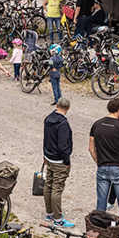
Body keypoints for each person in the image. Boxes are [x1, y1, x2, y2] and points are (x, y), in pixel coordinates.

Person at [89, 97, 119, 238]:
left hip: (103, 168)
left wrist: (100, 163)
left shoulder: (96, 124)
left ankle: (99, 235)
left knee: (100, 205)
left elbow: (91, 148)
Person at [43, 97, 74, 228]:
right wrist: (66, 160)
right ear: (69, 108)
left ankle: (49, 213)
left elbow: (45, 138)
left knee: (48, 185)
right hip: (59, 161)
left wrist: (44, 155)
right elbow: (63, 146)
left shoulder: (48, 119)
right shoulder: (63, 124)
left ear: (56, 105)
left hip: (49, 157)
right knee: (57, 189)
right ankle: (58, 218)